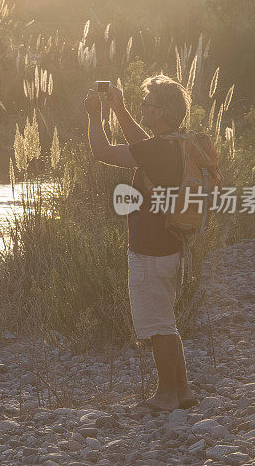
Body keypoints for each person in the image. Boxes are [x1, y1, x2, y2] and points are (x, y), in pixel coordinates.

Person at [84, 74, 198, 412]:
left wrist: (93, 115)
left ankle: (165, 396)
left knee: (157, 323)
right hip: (170, 246)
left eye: (146, 105)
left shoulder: (159, 149)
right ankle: (182, 390)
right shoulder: (174, 143)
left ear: (161, 112)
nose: (142, 108)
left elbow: (101, 151)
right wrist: (117, 108)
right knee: (167, 319)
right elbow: (141, 145)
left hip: (150, 249)